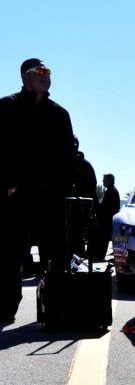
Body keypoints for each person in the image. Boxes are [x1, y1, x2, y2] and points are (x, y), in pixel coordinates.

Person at [0, 58, 76, 322]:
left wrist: (64, 187)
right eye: (40, 72)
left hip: (50, 195)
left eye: (48, 72)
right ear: (24, 77)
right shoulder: (7, 107)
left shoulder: (59, 114)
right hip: (16, 195)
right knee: (10, 254)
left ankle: (56, 309)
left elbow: (69, 154)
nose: (46, 76)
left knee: (55, 254)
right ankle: (5, 309)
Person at [93, 173, 120, 261]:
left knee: (103, 239)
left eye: (104, 179)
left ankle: (99, 256)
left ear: (109, 180)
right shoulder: (111, 190)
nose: (103, 181)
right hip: (107, 219)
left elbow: (105, 207)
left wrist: (97, 208)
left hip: (107, 220)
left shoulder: (111, 191)